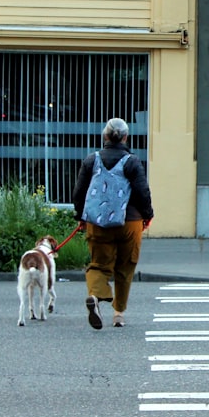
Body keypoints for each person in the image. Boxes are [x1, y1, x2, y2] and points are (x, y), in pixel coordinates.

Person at [71, 118, 154, 330]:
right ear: (125, 137)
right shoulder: (132, 161)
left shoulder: (92, 160)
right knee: (125, 267)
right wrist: (147, 215)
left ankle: (96, 297)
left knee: (99, 264)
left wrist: (81, 216)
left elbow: (79, 192)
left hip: (98, 222)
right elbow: (142, 192)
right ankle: (118, 313)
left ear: (105, 136)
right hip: (130, 222)